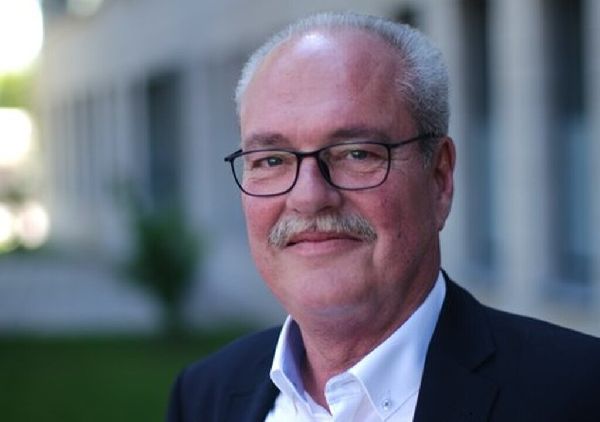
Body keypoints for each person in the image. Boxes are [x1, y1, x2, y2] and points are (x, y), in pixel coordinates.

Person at [167, 12, 600, 422]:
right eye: (272, 160)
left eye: (357, 154)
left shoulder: (580, 393)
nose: (309, 197)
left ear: (439, 177)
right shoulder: (206, 395)